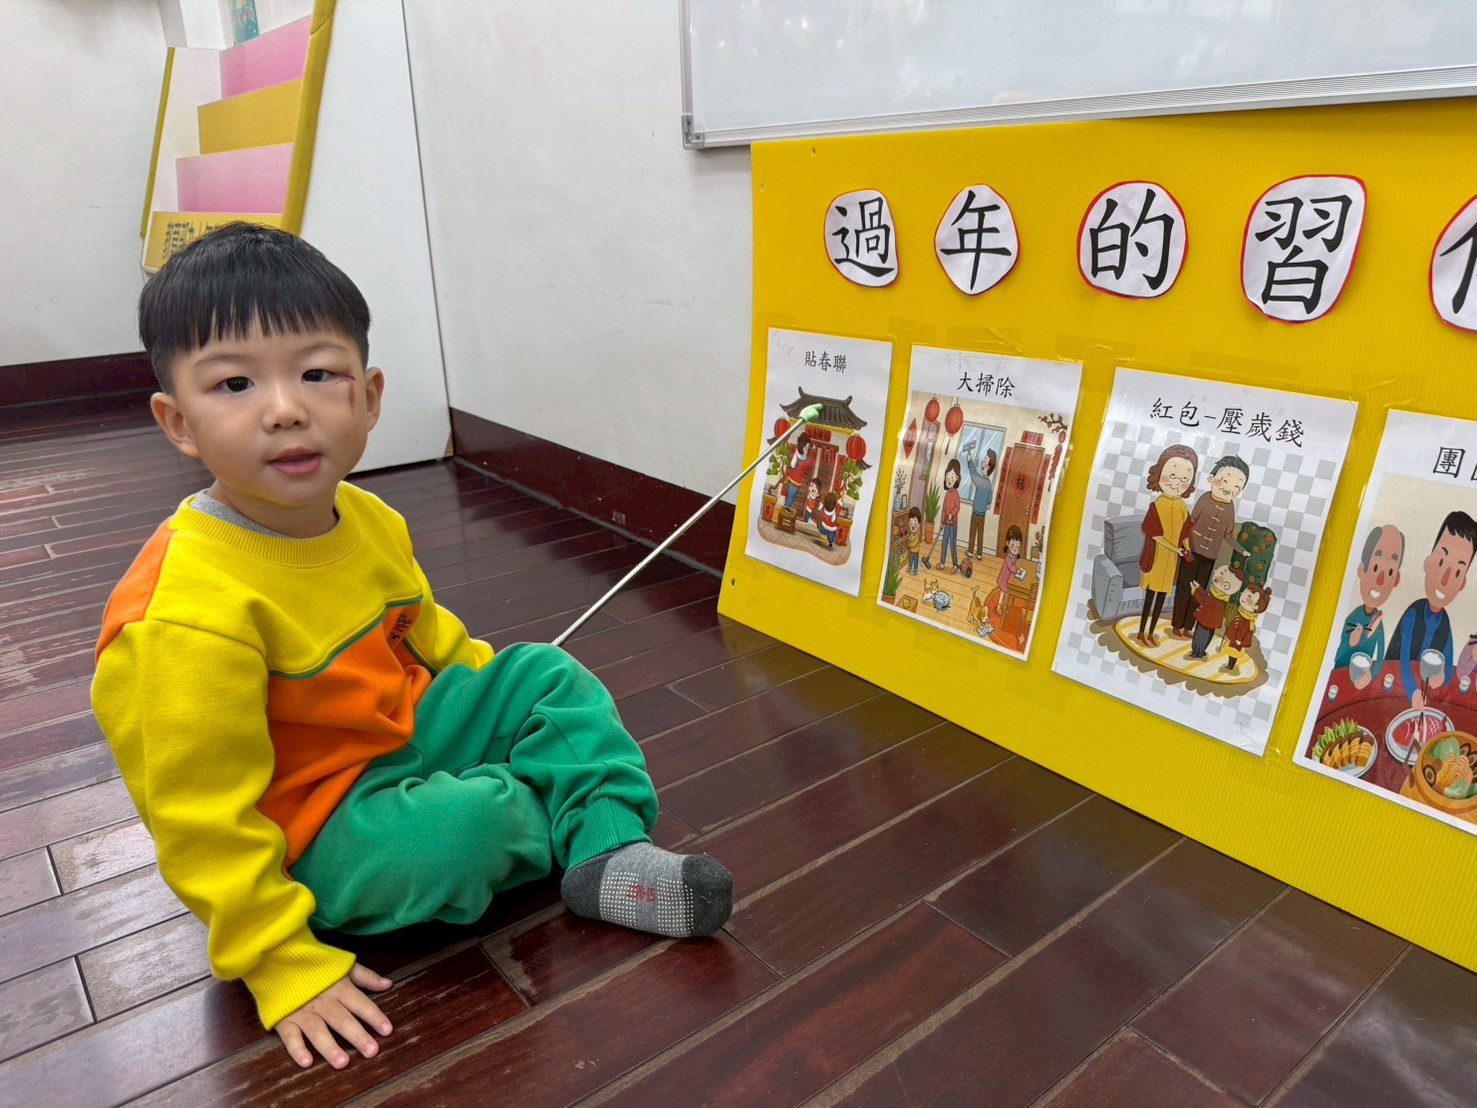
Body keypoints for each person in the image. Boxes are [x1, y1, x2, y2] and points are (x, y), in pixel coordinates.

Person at [90, 224, 733, 1072]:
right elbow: (197, 821)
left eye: (318, 374)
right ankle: (546, 805)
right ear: (178, 423)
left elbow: (431, 641)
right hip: (316, 825)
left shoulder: (368, 516)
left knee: (545, 674)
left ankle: (608, 851)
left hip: (399, 736)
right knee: (467, 830)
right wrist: (278, 960)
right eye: (235, 383)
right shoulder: (179, 615)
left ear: (369, 397)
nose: (285, 408)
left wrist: (500, 711)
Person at [1387, 511, 1477, 709]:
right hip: (1391, 690)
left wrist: (1442, 676)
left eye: (1457, 572)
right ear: (1428, 563)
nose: (1445, 579)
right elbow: (1402, 662)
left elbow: (1448, 667)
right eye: (1441, 562)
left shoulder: (1444, 622)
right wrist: (1412, 691)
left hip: (1424, 700)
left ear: (1462, 583)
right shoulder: (1413, 614)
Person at [1170, 455, 1248, 640]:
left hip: (1210, 557)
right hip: (1191, 550)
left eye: (1236, 486)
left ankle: (1188, 627)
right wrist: (1183, 543)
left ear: (1239, 491)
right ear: (1212, 479)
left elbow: (1228, 535)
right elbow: (1190, 522)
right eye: (1225, 480)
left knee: (1199, 592)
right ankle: (1176, 625)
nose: (1229, 488)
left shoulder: (1230, 508)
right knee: (1183, 587)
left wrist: (1242, 550)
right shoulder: (1204, 499)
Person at [1136, 444, 1198, 648]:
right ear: (1159, 472)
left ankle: (1151, 632)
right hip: (1156, 558)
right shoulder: (1157, 505)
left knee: (1161, 596)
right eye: (1171, 476)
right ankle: (1141, 631)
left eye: (1184, 479)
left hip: (1171, 562)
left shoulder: (1182, 506)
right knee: (1150, 596)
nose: (1176, 483)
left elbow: (1184, 532)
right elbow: (1154, 534)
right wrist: (1176, 548)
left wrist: (1186, 548)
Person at [1332, 523, 1404, 687]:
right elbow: (1332, 653)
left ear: (1395, 580)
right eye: (1375, 568)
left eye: (1390, 572)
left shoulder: (1378, 621)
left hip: (1363, 680)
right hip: (1338, 675)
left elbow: (1381, 654)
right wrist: (1349, 643)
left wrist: (1371, 675)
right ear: (1362, 570)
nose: (1380, 580)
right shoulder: (1353, 617)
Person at [964, 444, 997, 559]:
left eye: (986, 459)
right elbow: (989, 500)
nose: (983, 461)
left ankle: (970, 551)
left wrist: (970, 461)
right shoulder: (988, 483)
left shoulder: (981, 481)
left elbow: (973, 474)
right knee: (980, 534)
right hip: (982, 514)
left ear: (989, 465)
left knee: (973, 532)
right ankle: (979, 554)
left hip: (976, 512)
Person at [937, 459, 963, 573]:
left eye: (952, 476)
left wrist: (951, 515)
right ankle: (942, 563)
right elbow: (944, 509)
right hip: (946, 524)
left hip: (953, 524)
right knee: (944, 543)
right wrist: (942, 521)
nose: (949, 478)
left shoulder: (956, 494)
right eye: (947, 475)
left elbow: (957, 507)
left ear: (956, 478)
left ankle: (955, 565)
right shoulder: (947, 494)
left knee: (952, 544)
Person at [906, 506, 923, 575]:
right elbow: (909, 539)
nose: (912, 525)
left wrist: (909, 544)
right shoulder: (911, 535)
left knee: (915, 561)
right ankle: (910, 567)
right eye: (910, 523)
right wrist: (908, 541)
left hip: (916, 552)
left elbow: (914, 544)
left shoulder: (916, 537)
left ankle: (915, 570)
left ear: (919, 525)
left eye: (915, 522)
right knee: (910, 560)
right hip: (911, 551)